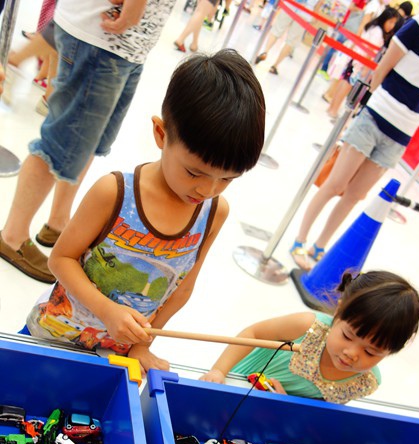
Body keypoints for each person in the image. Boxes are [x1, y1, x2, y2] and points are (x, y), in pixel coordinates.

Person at [25, 50, 266, 374]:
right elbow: (61, 259)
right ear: (161, 134)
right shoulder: (114, 192)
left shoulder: (213, 212)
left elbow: (181, 288)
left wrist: (142, 345)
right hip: (56, 332)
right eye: (194, 172)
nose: (207, 190)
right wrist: (107, 310)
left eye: (227, 179)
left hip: (115, 353)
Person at [0, 0, 176, 284]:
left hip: (128, 45)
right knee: (61, 144)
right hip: (102, 37)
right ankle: (13, 236)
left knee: (88, 142)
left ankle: (58, 223)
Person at [290, 0, 419, 269]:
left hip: (404, 131)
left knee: (355, 195)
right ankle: (300, 240)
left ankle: (320, 246)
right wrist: (374, 105)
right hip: (375, 116)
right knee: (336, 184)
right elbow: (383, 67)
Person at [201, 270, 419, 403]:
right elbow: (253, 333)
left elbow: (319, 412)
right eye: (347, 336)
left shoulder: (365, 381)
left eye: (371, 352)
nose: (351, 353)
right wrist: (219, 370)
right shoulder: (308, 326)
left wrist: (285, 405)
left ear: (391, 352)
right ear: (339, 311)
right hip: (232, 384)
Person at [324, 7, 401, 121]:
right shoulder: (378, 32)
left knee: (345, 82)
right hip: (361, 63)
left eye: (394, 23)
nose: (392, 26)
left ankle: (332, 108)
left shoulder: (373, 27)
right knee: (347, 85)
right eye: (391, 22)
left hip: (356, 58)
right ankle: (333, 110)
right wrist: (366, 67)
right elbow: (370, 50)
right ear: (384, 19)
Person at [254, 0, 323, 76]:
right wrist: (315, 16)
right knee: (291, 41)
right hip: (305, 13)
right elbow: (319, 4)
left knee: (277, 30)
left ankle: (265, 51)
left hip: (290, 5)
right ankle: (274, 66)